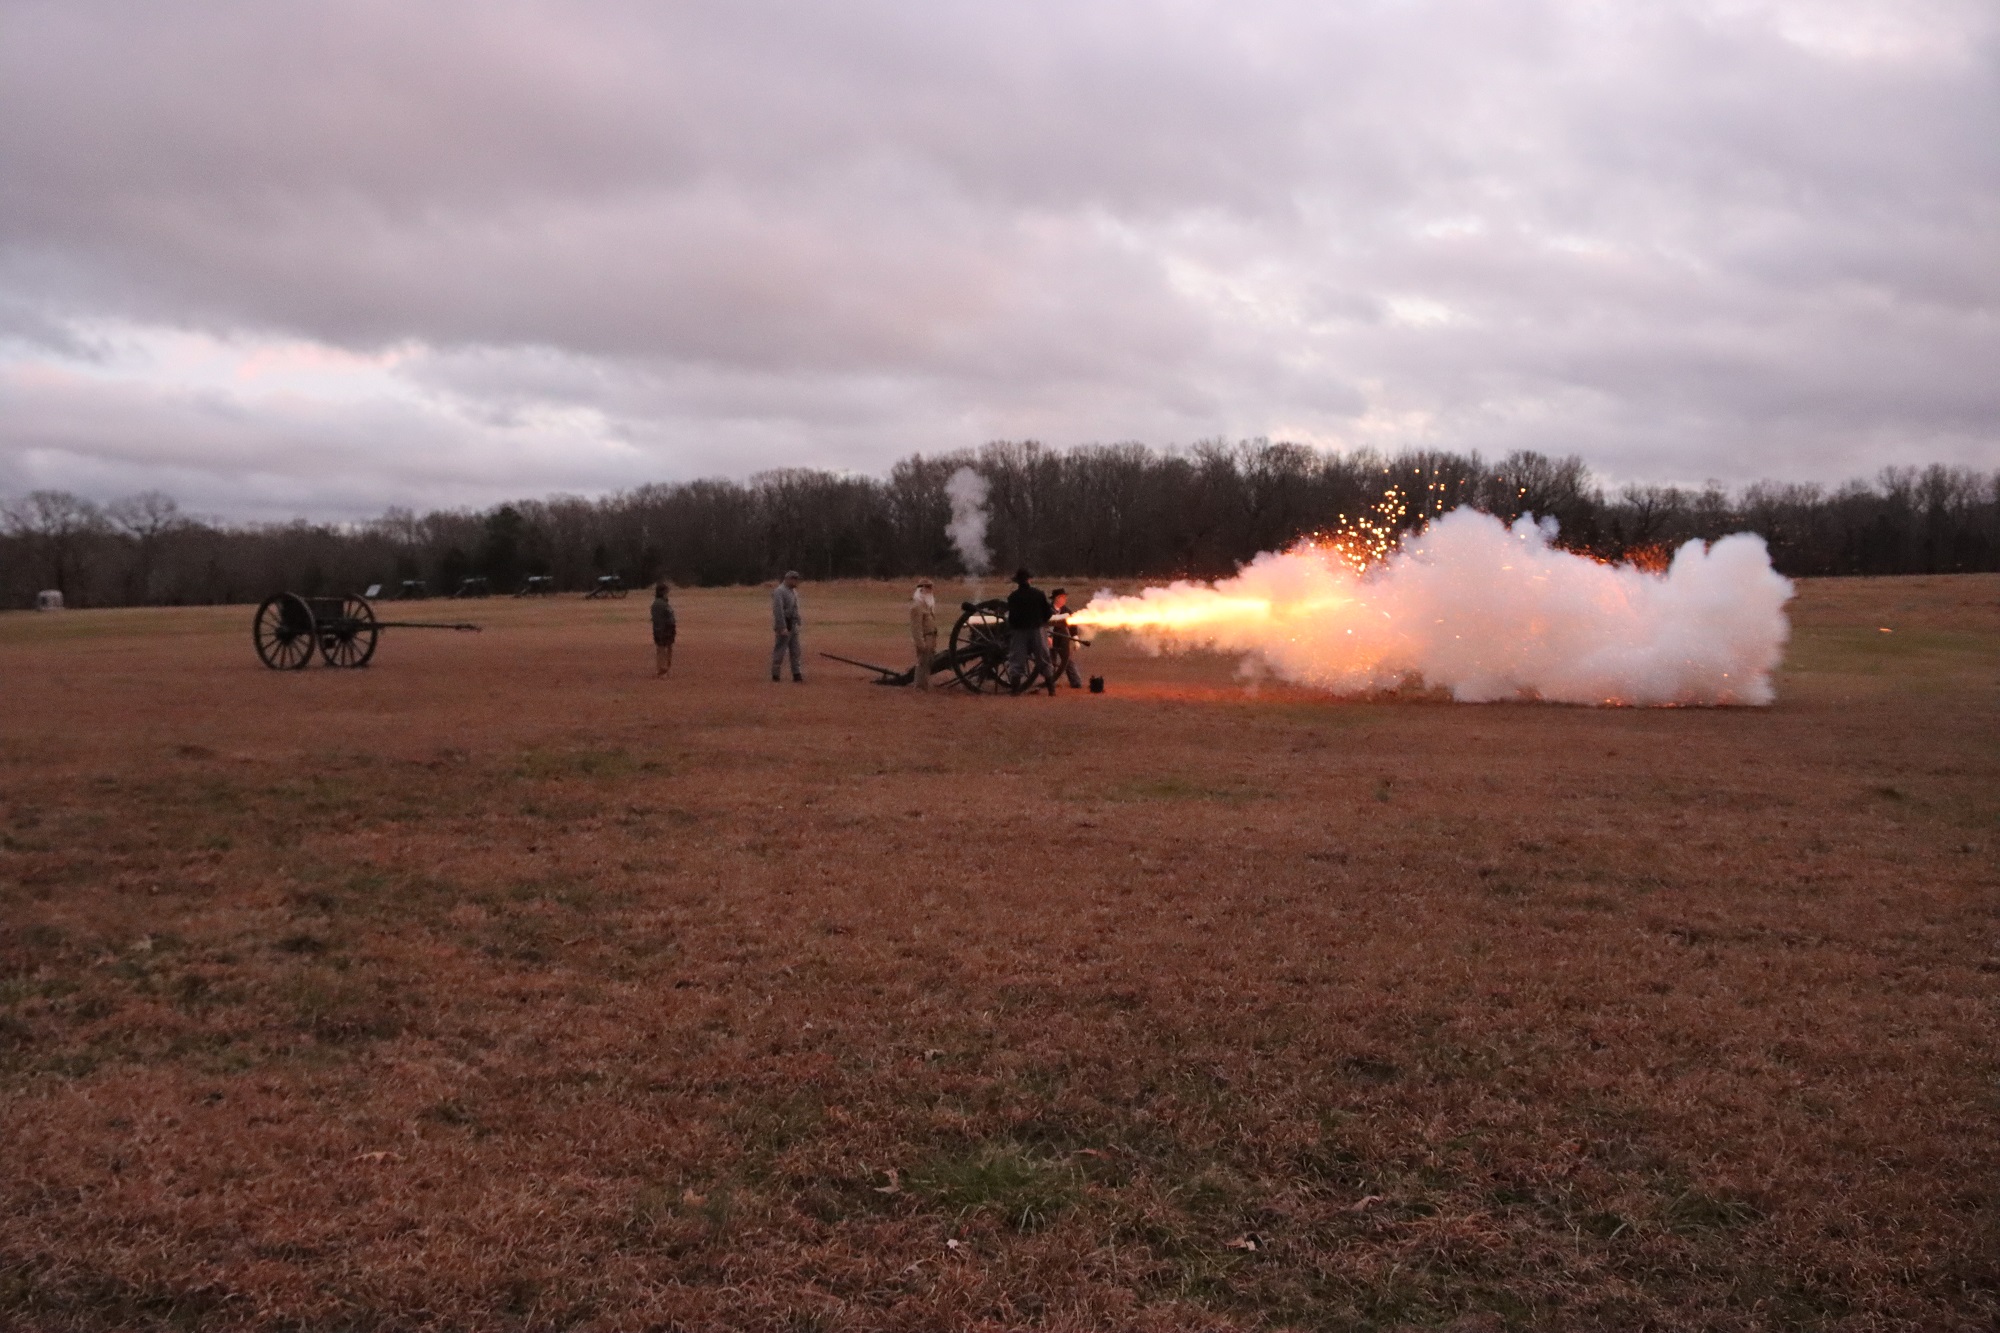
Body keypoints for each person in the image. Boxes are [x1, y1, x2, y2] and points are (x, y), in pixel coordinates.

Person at [1005, 567, 1056, 695]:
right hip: (1037, 630)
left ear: (1017, 582)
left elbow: (1011, 618)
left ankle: (1015, 691)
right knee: (1044, 658)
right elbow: (1048, 613)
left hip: (1019, 631)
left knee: (1017, 659)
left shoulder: (1013, 597)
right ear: (1029, 580)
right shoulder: (1038, 594)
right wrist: (1041, 623)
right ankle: (1051, 690)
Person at [770, 570, 804, 682]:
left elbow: (795, 607)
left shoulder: (793, 592)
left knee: (795, 650)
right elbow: (778, 610)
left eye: (797, 579)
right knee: (780, 650)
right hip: (784, 623)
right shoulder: (779, 591)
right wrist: (782, 627)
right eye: (794, 579)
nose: (796, 581)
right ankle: (776, 674)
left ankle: (796, 673)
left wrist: (798, 619)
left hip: (793, 624)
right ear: (788, 579)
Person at [1048, 588, 1084, 689]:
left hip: (1062, 637)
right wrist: (1048, 637)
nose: (1065, 600)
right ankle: (1051, 681)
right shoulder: (1047, 609)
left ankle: (1075, 681)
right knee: (1051, 660)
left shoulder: (1066, 610)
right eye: (1063, 597)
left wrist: (1075, 637)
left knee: (1068, 659)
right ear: (1057, 598)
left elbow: (1072, 624)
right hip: (1050, 637)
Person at [909, 578, 939, 691]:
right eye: (928, 588)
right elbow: (916, 628)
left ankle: (924, 685)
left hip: (932, 636)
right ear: (922, 589)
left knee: (928, 661)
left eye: (931, 588)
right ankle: (919, 686)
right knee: (922, 662)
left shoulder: (928, 604)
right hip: (925, 637)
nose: (930, 590)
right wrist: (920, 643)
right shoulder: (916, 606)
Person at [650, 581, 677, 677]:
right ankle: (663, 669)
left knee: (662, 649)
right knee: (663, 649)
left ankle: (663, 669)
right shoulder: (661, 604)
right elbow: (665, 618)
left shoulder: (657, 604)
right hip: (664, 629)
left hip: (662, 629)